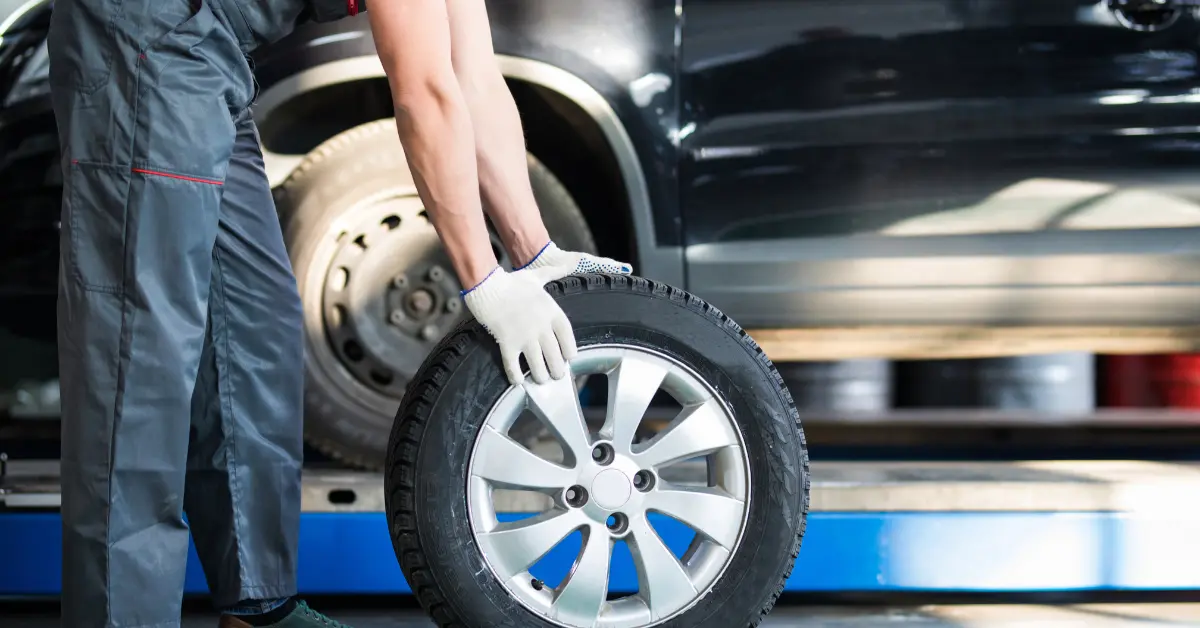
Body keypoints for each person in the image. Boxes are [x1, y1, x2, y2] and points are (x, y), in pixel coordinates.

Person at [45, 0, 632, 626]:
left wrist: (535, 254)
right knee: (142, 362)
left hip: (209, 50)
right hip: (143, 38)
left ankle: (258, 608)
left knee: (254, 333)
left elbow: (471, 74)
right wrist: (483, 282)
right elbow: (426, 92)